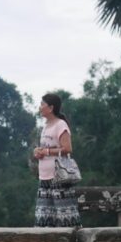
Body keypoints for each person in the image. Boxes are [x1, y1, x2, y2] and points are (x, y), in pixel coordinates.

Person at [32, 93, 82, 228]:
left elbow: (68, 148)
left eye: (42, 104)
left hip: (59, 177)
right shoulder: (46, 126)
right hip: (44, 178)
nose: (40, 107)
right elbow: (47, 147)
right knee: (44, 219)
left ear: (51, 108)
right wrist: (39, 152)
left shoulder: (61, 125)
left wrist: (47, 152)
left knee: (65, 218)